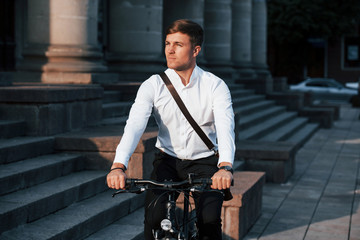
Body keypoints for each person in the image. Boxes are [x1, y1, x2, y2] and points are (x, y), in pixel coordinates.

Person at [107, 19, 235, 240]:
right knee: (154, 218)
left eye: (178, 44)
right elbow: (134, 126)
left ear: (195, 50)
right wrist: (118, 165)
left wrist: (225, 167)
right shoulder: (153, 85)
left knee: (209, 221)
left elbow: (226, 127)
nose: (170, 50)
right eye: (167, 43)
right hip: (168, 161)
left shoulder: (215, 85)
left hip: (205, 162)